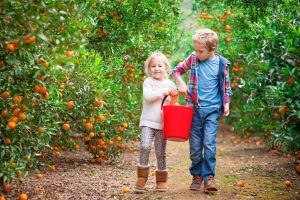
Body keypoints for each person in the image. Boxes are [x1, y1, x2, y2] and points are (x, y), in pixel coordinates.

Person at [171, 28, 232, 192]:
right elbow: (176, 71)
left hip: (212, 110)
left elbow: (226, 87)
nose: (197, 53)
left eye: (201, 51)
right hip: (194, 110)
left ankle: (209, 177)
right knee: (196, 146)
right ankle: (196, 176)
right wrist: (181, 83)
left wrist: (226, 103)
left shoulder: (222, 64)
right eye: (196, 50)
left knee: (209, 144)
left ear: (212, 49)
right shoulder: (193, 59)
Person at [135, 51, 178, 193]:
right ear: (149, 69)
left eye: (160, 65)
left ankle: (161, 180)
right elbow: (148, 97)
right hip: (148, 122)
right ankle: (142, 177)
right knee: (145, 146)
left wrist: (173, 96)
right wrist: (163, 92)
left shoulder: (169, 83)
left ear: (166, 67)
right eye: (153, 66)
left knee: (160, 152)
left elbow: (172, 105)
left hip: (162, 125)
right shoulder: (148, 82)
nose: (157, 68)